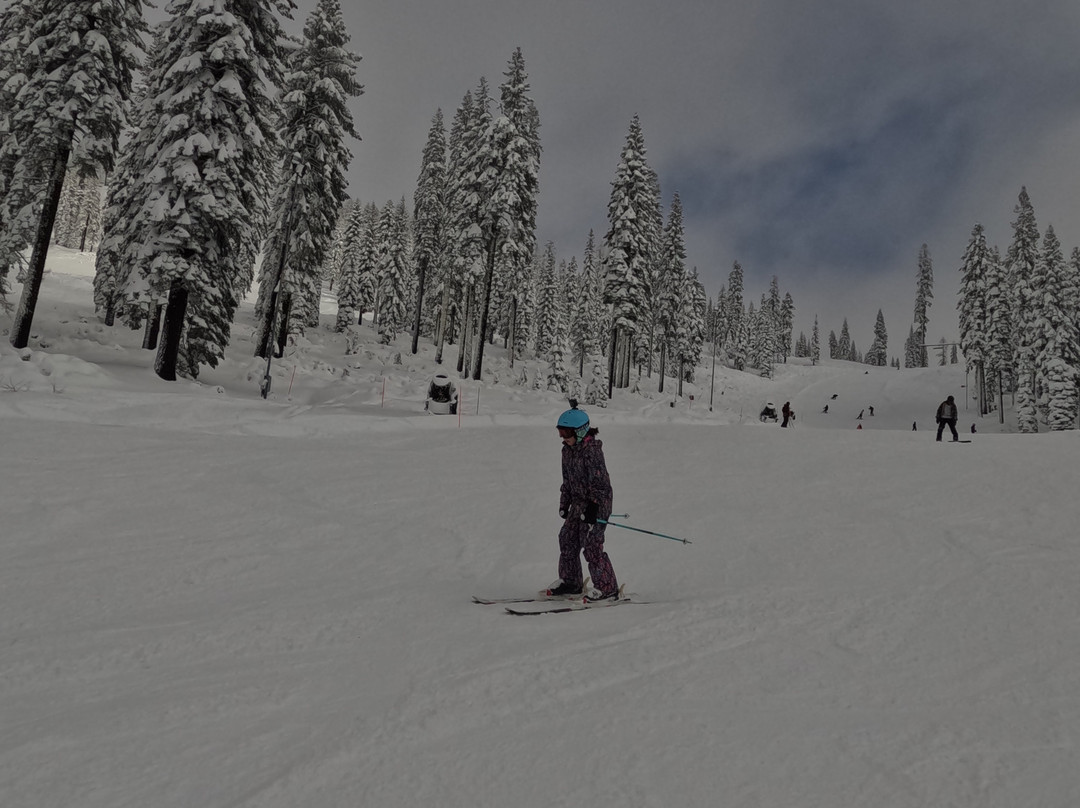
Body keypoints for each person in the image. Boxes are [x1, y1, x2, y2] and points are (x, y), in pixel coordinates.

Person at [548, 404, 619, 601]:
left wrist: (594, 508)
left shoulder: (592, 451)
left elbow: (601, 485)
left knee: (591, 545)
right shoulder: (567, 451)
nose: (564, 437)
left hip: (597, 505)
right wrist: (564, 504)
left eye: (567, 432)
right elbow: (567, 482)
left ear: (580, 431)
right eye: (561, 433)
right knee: (567, 538)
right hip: (578, 504)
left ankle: (608, 589)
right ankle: (571, 582)